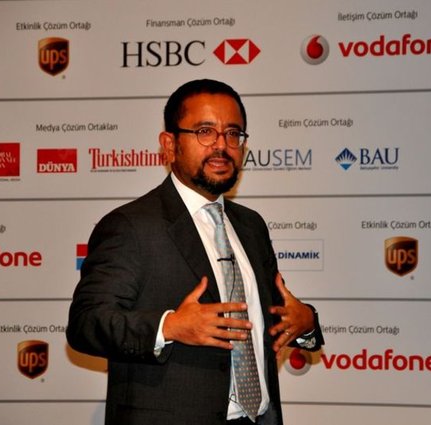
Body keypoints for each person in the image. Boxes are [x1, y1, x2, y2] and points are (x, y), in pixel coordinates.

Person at [66, 79, 324, 425]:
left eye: (233, 134)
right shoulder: (130, 226)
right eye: (205, 132)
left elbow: (261, 318)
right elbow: (86, 324)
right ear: (169, 145)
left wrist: (305, 322)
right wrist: (169, 326)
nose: (222, 146)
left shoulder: (251, 226)